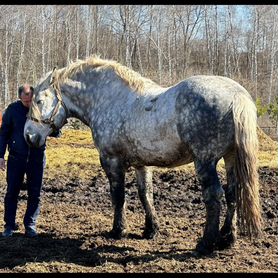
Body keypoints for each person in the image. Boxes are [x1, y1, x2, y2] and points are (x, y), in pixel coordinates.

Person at [0, 84, 60, 238]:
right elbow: (4, 133)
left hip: (37, 158)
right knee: (12, 192)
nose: (28, 104)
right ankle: (9, 226)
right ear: (20, 97)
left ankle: (30, 225)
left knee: (35, 193)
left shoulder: (40, 109)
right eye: (26, 101)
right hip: (16, 158)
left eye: (31, 100)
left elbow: (55, 132)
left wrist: (55, 126)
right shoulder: (12, 110)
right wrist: (0, 156)